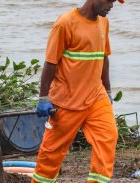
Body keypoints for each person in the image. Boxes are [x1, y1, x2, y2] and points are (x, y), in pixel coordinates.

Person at [32, 0, 125, 182]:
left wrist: (107, 90)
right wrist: (43, 97)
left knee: (108, 137)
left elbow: (104, 58)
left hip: (95, 96)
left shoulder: (103, 22)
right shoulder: (65, 23)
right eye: (109, 1)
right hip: (67, 100)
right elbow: (51, 63)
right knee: (51, 154)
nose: (112, 5)